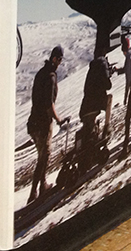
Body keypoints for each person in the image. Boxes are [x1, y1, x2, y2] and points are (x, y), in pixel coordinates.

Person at [26, 45, 68, 203]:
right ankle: (34, 194)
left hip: (33, 122)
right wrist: (58, 120)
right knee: (44, 156)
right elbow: (49, 104)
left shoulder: (40, 73)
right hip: (43, 123)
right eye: (59, 59)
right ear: (55, 59)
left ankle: (41, 186)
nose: (60, 63)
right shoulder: (50, 77)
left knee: (43, 155)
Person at [78, 49, 112, 143]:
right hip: (95, 105)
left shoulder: (92, 68)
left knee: (88, 128)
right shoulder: (102, 64)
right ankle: (106, 127)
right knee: (110, 98)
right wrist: (108, 75)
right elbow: (108, 86)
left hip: (85, 106)